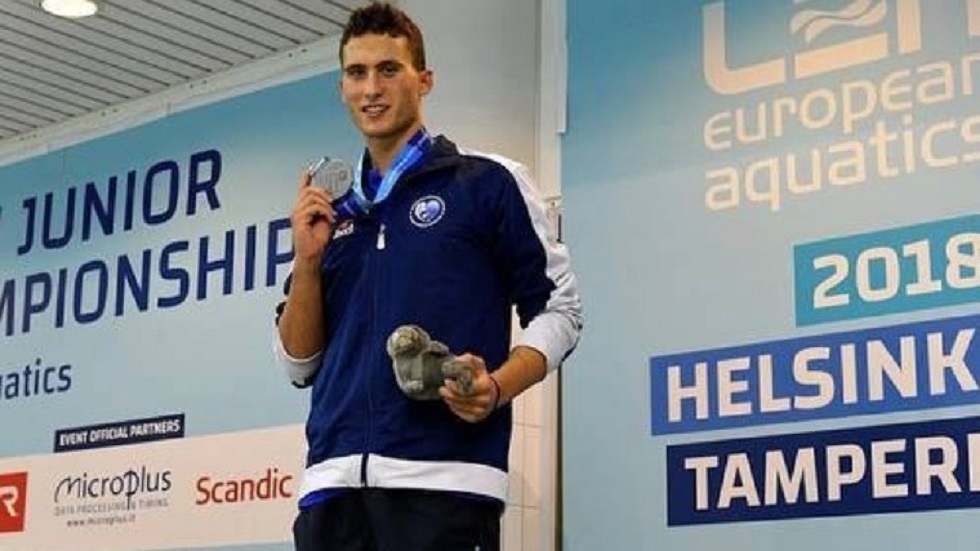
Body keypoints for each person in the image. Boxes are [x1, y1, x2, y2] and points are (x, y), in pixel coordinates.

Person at [274, 3, 582, 550]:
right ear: (342, 88)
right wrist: (307, 261)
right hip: (330, 491)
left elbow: (561, 311)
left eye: (389, 69)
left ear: (424, 80)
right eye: (357, 73)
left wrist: (497, 387)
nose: (372, 88)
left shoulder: (487, 183)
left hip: (445, 485)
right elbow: (298, 365)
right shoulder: (330, 211)